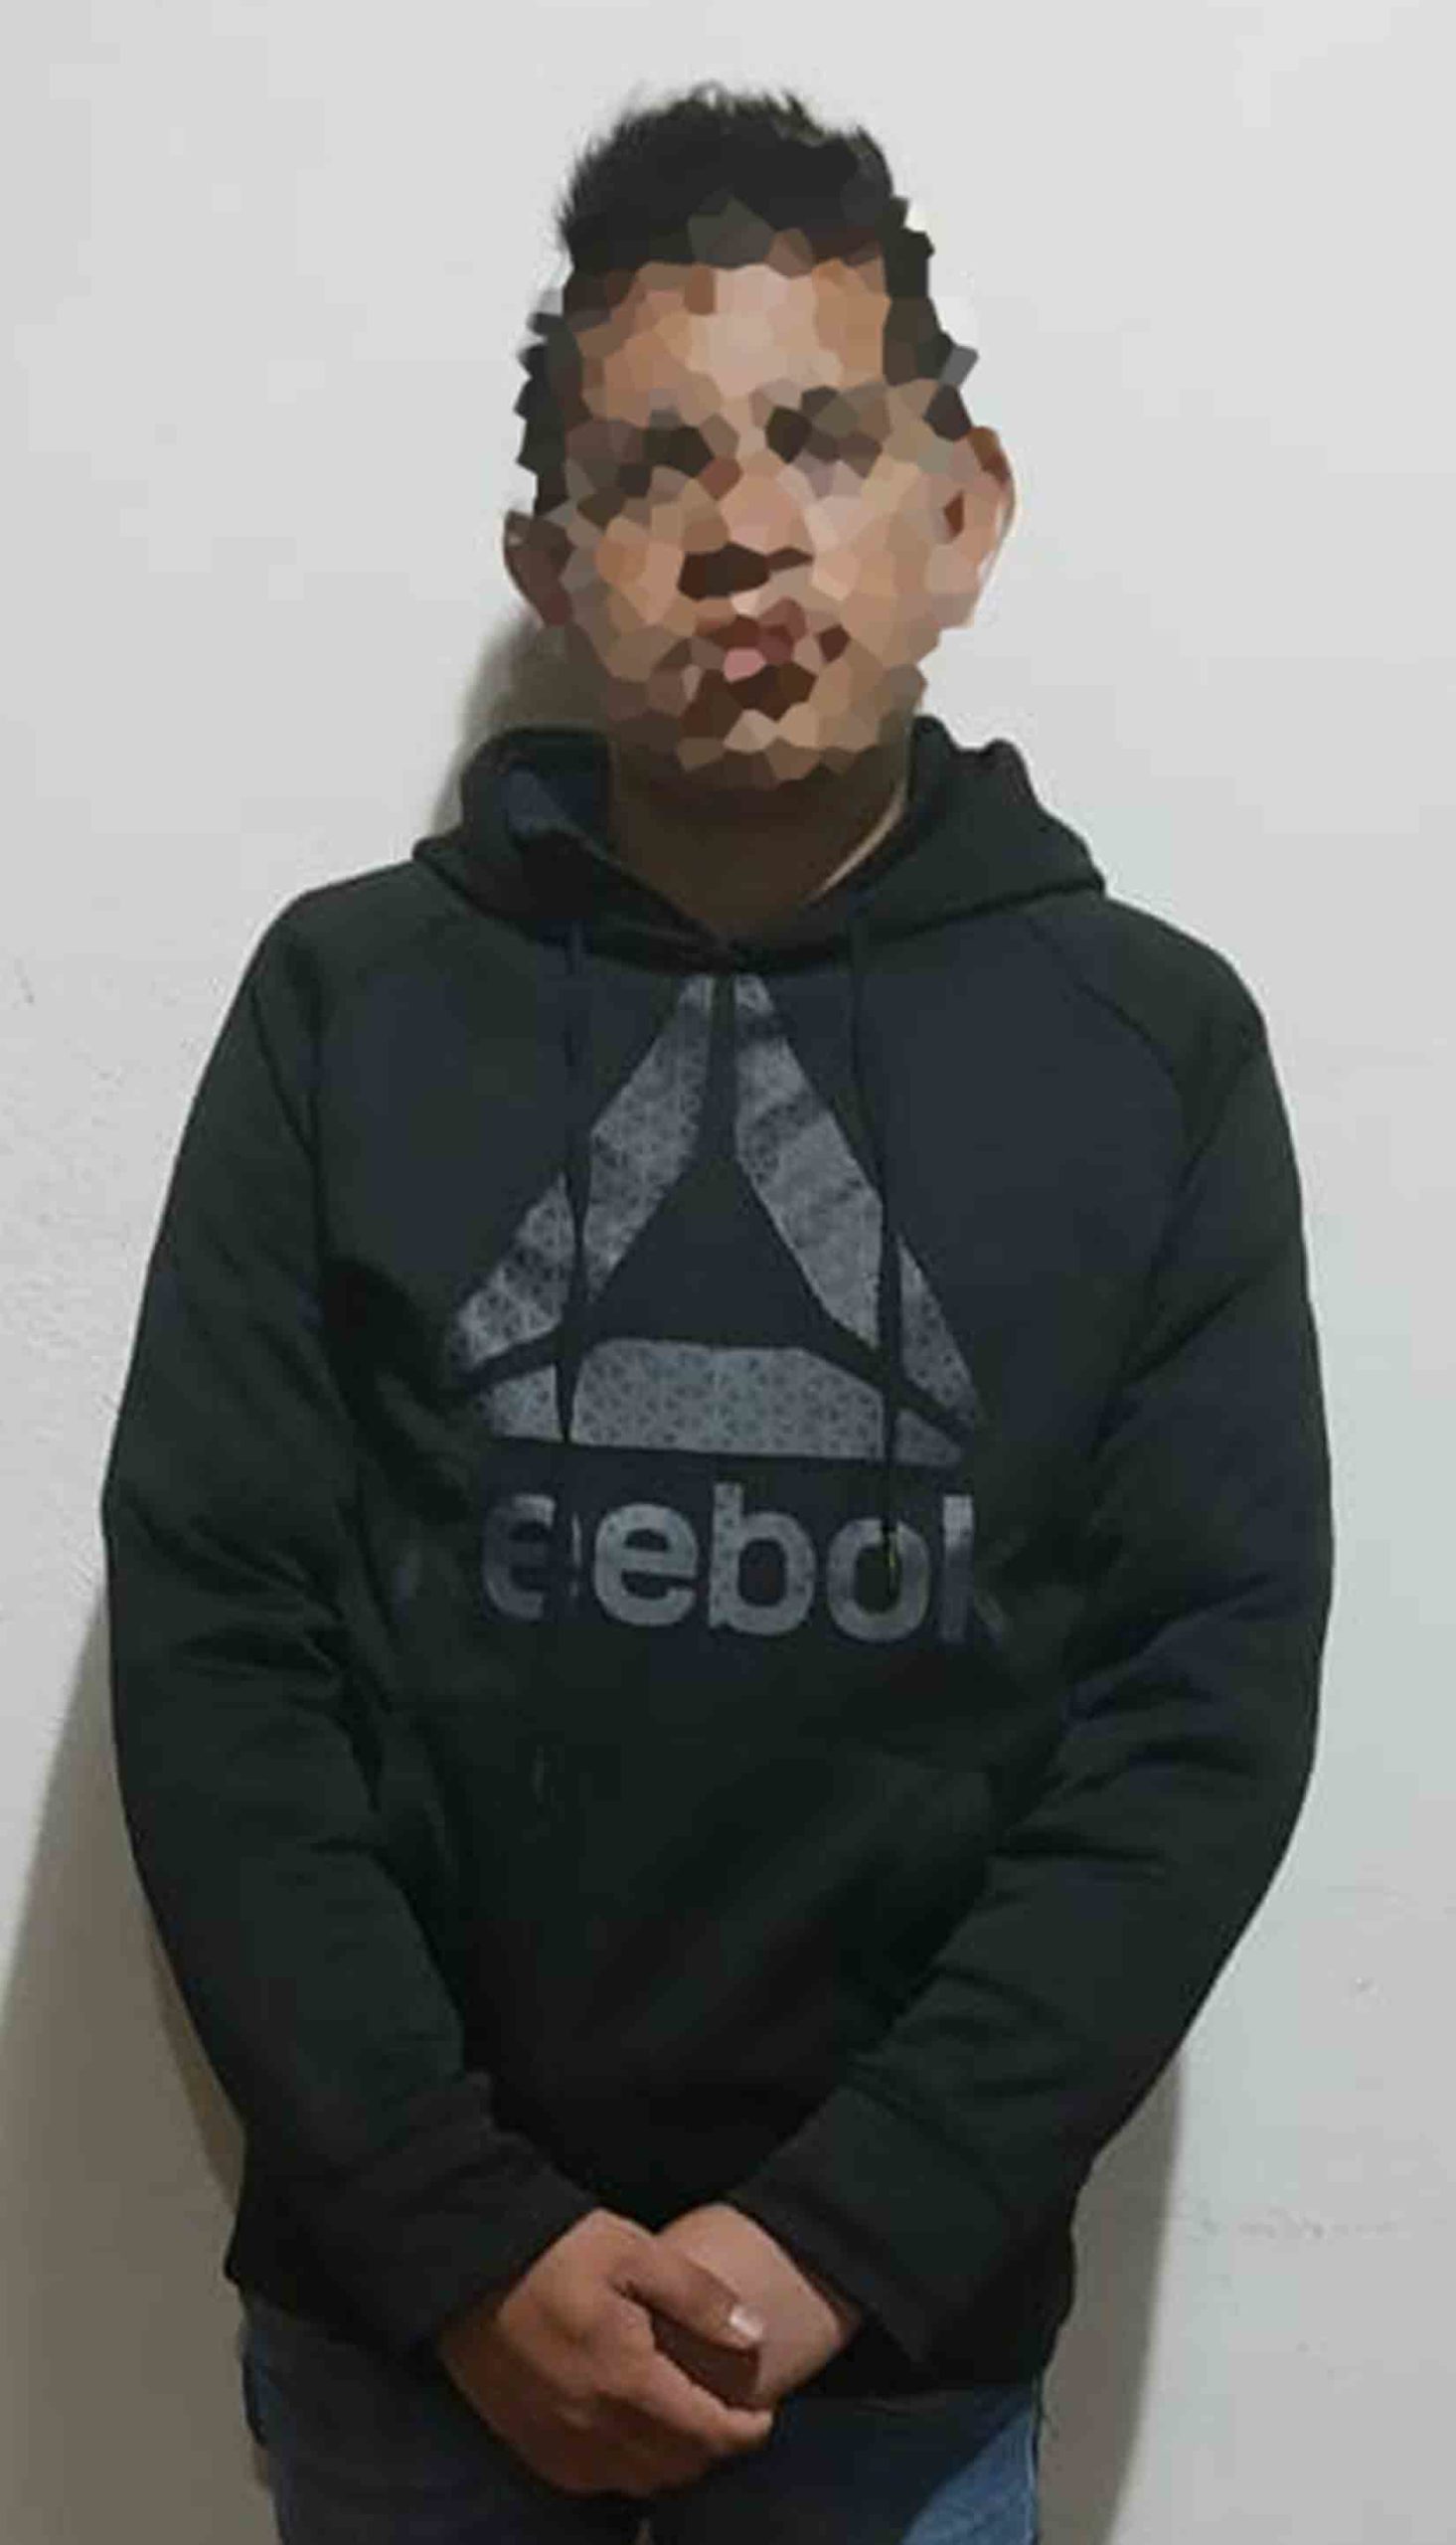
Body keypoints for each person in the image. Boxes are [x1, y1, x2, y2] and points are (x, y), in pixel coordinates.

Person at [98, 81, 1334, 2545]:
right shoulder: (349, 1008)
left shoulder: (1151, 1049)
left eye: (820, 439)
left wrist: (842, 2239)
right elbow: (222, 1646)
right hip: (404, 2342)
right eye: (654, 462)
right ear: (550, 563)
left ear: (961, 511)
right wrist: (460, 2235)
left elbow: (1196, 1709)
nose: (746, 524)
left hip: (890, 2365)